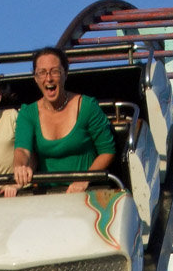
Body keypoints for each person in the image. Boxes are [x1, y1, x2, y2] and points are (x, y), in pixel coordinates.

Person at [13, 47, 115, 193]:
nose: (48, 78)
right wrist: (20, 167)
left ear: (65, 74)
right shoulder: (27, 113)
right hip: (49, 194)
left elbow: (107, 151)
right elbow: (22, 150)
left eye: (54, 71)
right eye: (42, 73)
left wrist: (84, 179)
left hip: (88, 191)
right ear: (35, 78)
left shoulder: (87, 107)